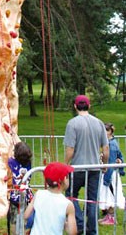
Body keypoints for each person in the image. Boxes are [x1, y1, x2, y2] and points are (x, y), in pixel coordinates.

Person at [64, 95, 109, 235]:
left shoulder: (72, 124)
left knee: (70, 195)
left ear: (75, 106)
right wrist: (105, 164)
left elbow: (70, 150)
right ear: (89, 106)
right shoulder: (99, 123)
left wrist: (65, 165)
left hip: (77, 168)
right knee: (92, 200)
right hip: (95, 168)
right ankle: (91, 230)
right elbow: (105, 149)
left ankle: (80, 223)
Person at [24, 162, 77, 235]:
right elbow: (72, 232)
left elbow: (26, 215)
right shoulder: (68, 204)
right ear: (64, 179)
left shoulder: (38, 194)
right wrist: (64, 223)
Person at [98, 122, 125, 226]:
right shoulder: (108, 143)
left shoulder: (111, 145)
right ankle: (108, 216)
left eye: (106, 130)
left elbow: (111, 162)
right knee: (107, 194)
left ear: (111, 132)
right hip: (108, 173)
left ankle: (112, 218)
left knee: (110, 194)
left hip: (110, 174)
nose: (104, 133)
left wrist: (107, 177)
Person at [7, 141, 33, 235]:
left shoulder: (10, 162)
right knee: (24, 219)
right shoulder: (28, 163)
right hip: (26, 195)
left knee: (13, 220)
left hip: (14, 195)